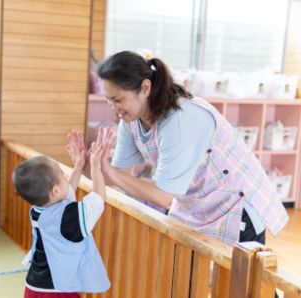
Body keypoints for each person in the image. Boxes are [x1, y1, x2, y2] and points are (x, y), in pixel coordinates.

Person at [70, 50, 289, 247]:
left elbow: (163, 196)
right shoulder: (131, 118)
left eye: (118, 99)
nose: (113, 108)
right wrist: (89, 166)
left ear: (145, 88)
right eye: (108, 100)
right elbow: (118, 177)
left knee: (240, 286)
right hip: (196, 205)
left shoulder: (180, 119)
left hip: (237, 206)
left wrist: (107, 170)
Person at [12, 138, 110, 297]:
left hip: (33, 287)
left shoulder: (38, 209)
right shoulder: (67, 217)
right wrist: (95, 167)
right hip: (56, 290)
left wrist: (78, 167)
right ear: (55, 191)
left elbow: (65, 194)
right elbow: (97, 200)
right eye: (63, 175)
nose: (66, 177)